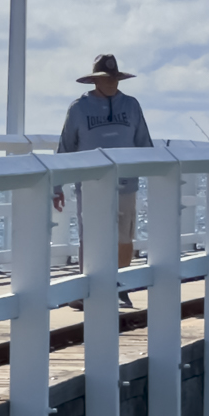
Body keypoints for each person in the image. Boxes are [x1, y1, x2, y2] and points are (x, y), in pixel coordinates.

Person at [56, 53, 151, 300]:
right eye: (105, 78)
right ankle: (87, 291)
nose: (110, 82)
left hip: (126, 183)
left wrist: (158, 177)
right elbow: (65, 147)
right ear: (95, 80)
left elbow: (144, 144)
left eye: (114, 78)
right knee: (89, 237)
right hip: (90, 186)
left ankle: (120, 286)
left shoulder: (131, 105)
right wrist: (56, 185)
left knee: (124, 237)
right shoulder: (78, 108)